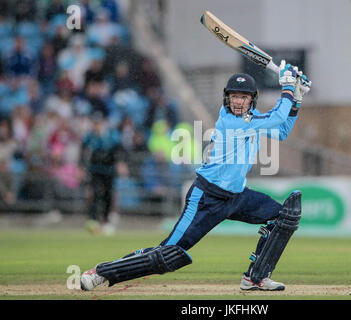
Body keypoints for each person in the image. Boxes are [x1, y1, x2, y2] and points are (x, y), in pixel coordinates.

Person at [80, 61, 311, 291]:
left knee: (285, 216)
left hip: (237, 197)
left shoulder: (252, 120)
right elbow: (278, 118)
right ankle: (102, 272)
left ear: (252, 99)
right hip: (206, 198)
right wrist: (289, 87)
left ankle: (255, 278)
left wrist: (296, 99)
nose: (238, 102)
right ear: (227, 98)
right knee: (166, 254)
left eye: (244, 97)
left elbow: (281, 132)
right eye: (234, 97)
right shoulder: (233, 121)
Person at [80, 112, 127, 234]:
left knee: (108, 194)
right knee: (95, 194)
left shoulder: (111, 135)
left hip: (109, 170)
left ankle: (106, 220)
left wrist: (121, 163)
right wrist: (81, 167)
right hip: (95, 169)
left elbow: (120, 149)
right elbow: (83, 149)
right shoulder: (91, 136)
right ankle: (94, 220)